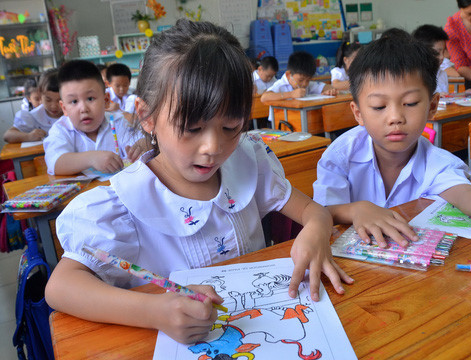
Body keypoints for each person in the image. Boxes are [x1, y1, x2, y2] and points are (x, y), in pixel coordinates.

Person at [45, 20, 352, 345]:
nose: (213, 148)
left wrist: (316, 232)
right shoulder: (124, 206)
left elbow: (314, 212)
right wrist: (153, 311)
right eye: (192, 128)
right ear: (147, 117)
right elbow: (61, 288)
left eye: (231, 126)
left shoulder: (249, 163)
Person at [312, 35, 471, 280]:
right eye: (379, 107)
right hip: (353, 273)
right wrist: (357, 209)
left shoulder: (437, 161)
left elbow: (468, 196)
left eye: (410, 103)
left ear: (432, 106)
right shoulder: (340, 156)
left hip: (412, 275)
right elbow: (321, 212)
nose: (395, 117)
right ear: (358, 113)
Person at [43, 60, 146, 175]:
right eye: (74, 101)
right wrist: (91, 158)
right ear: (64, 108)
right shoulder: (61, 129)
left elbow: (140, 141)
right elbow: (55, 163)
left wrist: (141, 145)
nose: (83, 109)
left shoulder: (117, 122)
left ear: (106, 100)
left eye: (90, 98)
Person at [3, 69, 63, 143]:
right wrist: (28, 136)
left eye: (60, 100)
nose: (53, 106)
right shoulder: (33, 117)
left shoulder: (72, 114)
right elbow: (7, 136)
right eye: (48, 100)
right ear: (40, 95)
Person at [261, 51, 337, 101]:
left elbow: (329, 87)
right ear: (288, 75)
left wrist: (328, 92)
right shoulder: (280, 85)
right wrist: (291, 94)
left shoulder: (308, 84)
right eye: (300, 80)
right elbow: (264, 98)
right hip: (280, 122)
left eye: (308, 80)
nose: (304, 84)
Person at [412, 24, 450, 95]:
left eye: (443, 52)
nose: (442, 57)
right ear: (421, 51)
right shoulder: (413, 75)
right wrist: (435, 97)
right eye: (437, 52)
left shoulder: (442, 74)